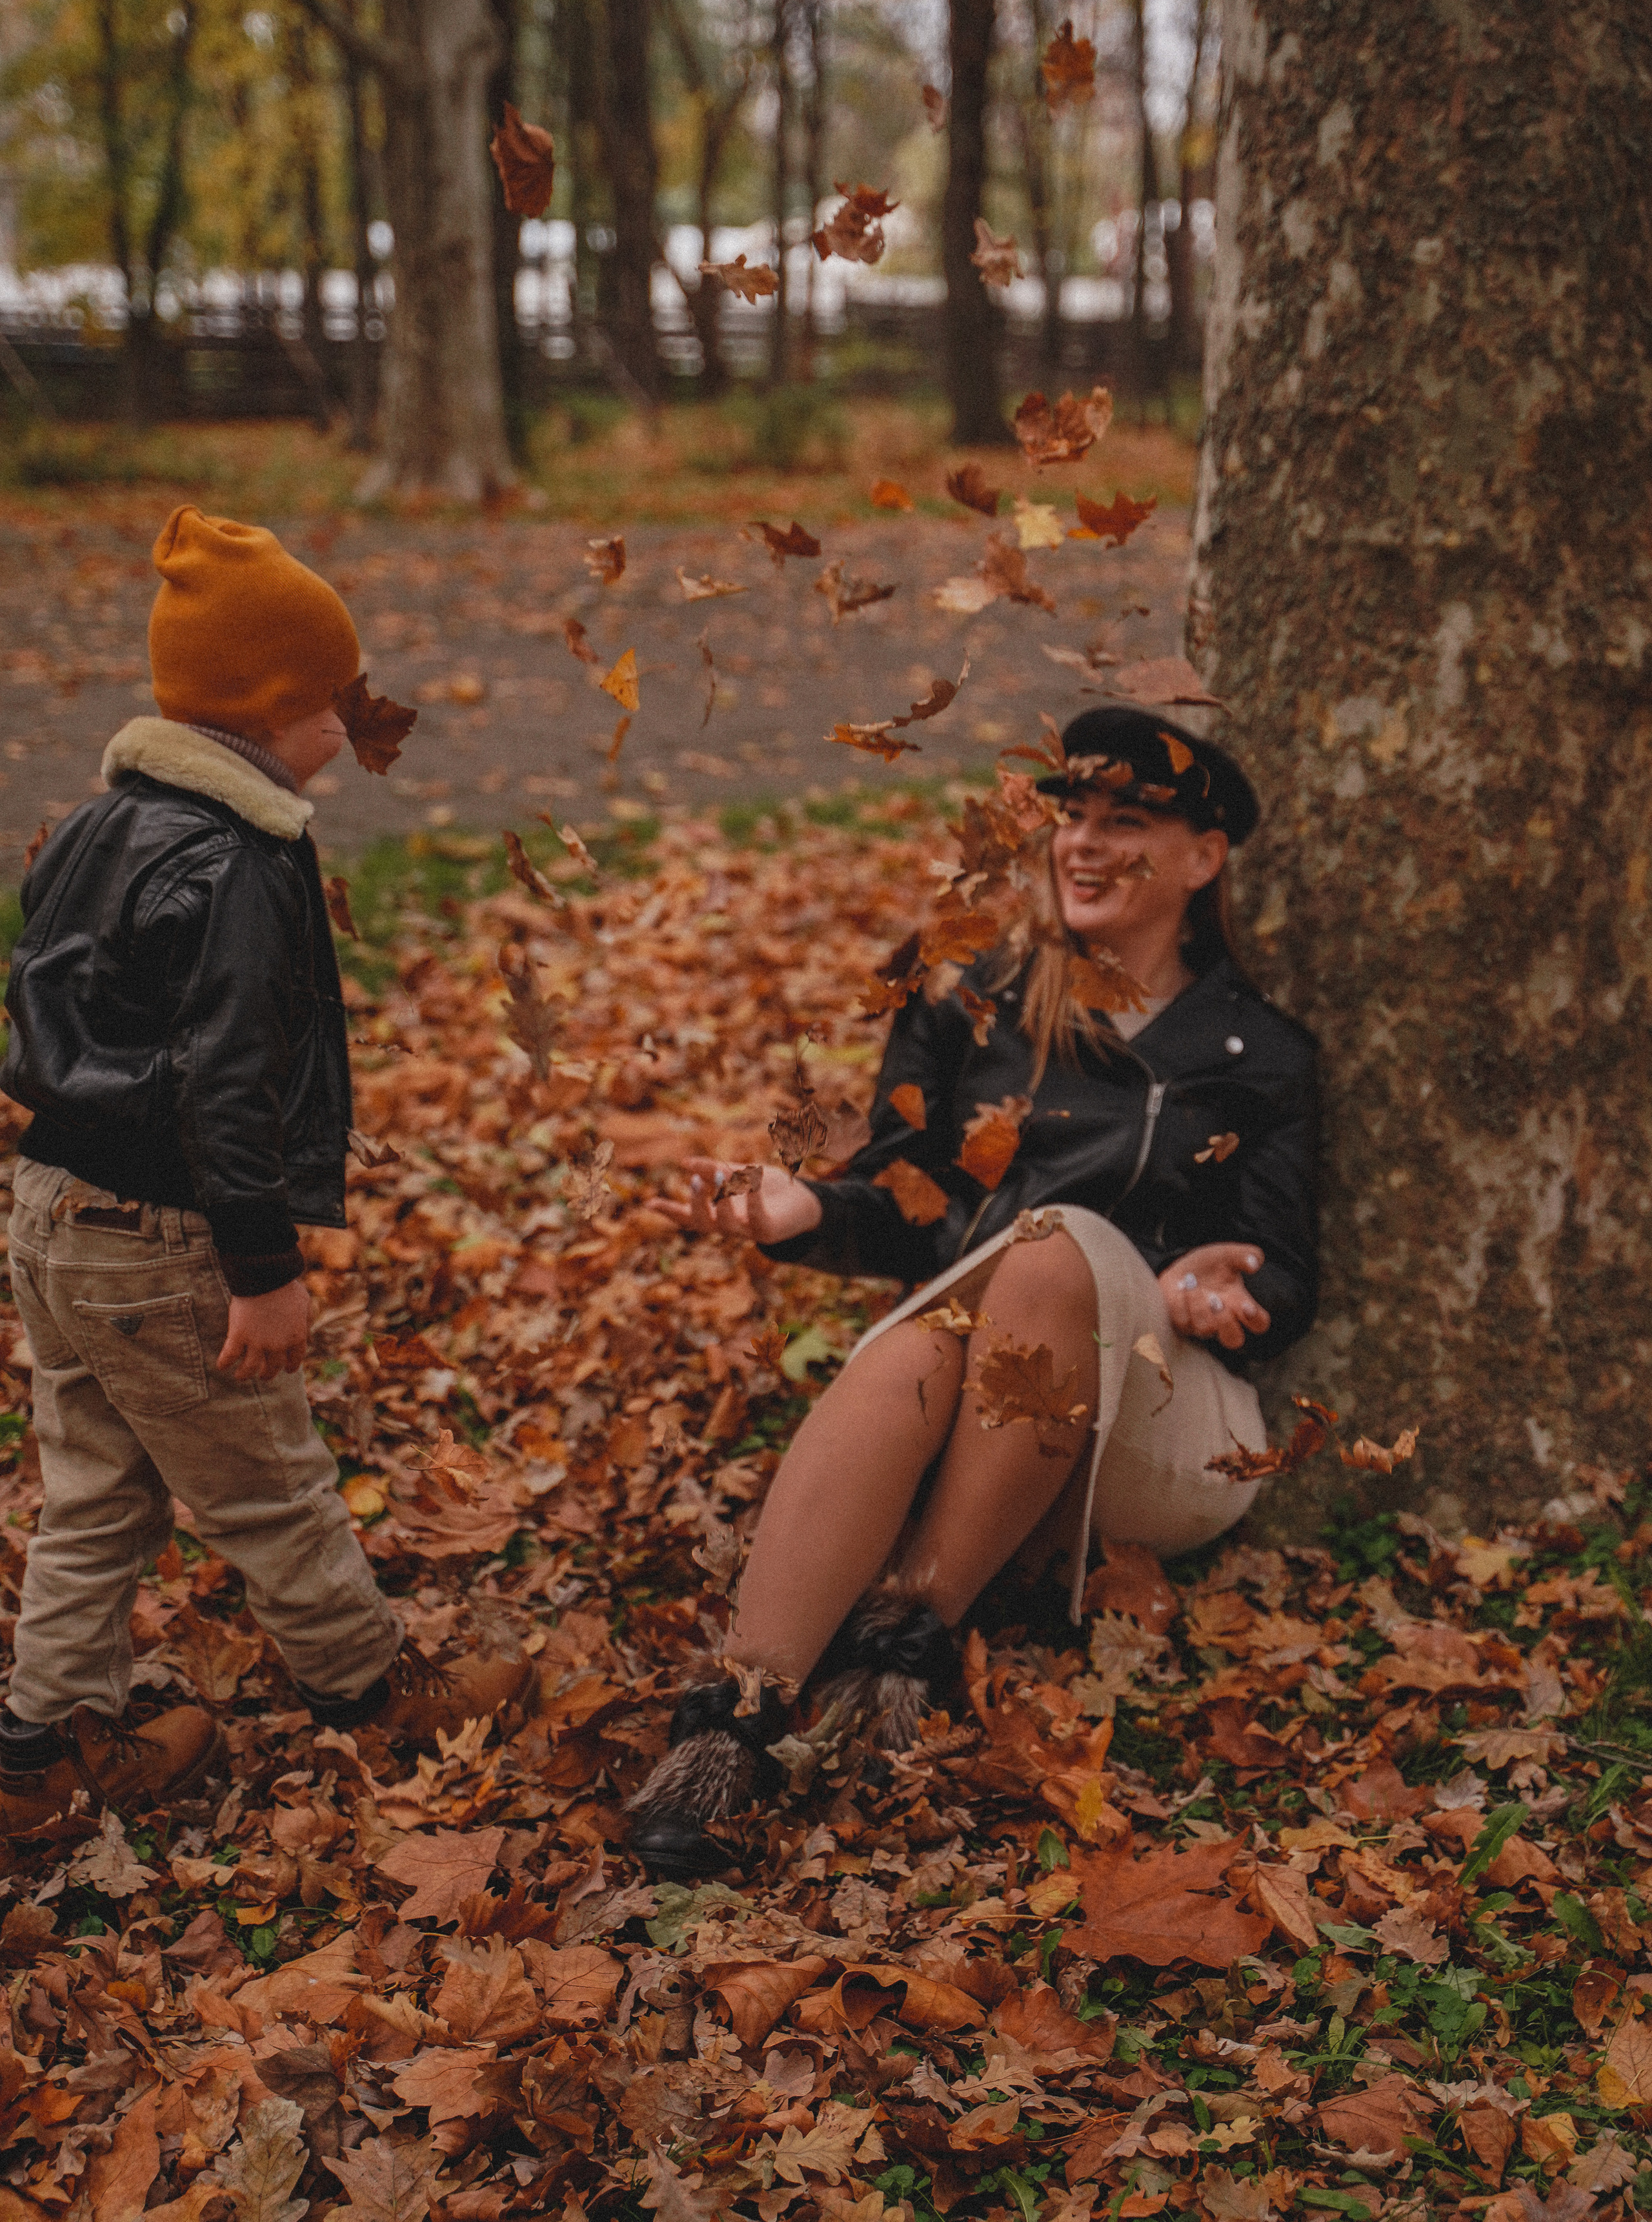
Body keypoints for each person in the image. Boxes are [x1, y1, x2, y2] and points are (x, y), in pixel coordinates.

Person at [629, 707, 1318, 1877]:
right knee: (917, 1345)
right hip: (981, 1410)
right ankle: (729, 1728)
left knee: (1056, 1247)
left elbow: (1288, 1274)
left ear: (1204, 857)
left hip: (1162, 1431)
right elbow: (918, 1209)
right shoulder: (968, 1000)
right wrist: (809, 1213)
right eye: (1073, 816)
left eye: (1128, 822)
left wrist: (1222, 1285)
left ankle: (911, 1639)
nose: (1084, 844)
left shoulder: (1262, 1053)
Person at [0, 507, 529, 1839]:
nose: (351, 722)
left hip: (54, 1213)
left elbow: (46, 999)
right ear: (272, 709)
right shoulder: (239, 859)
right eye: (333, 700)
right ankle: (372, 1692)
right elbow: (223, 1079)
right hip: (165, 1231)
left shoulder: (96, 824)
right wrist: (261, 1265)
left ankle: (42, 1748)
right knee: (270, 1480)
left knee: (97, 1488)